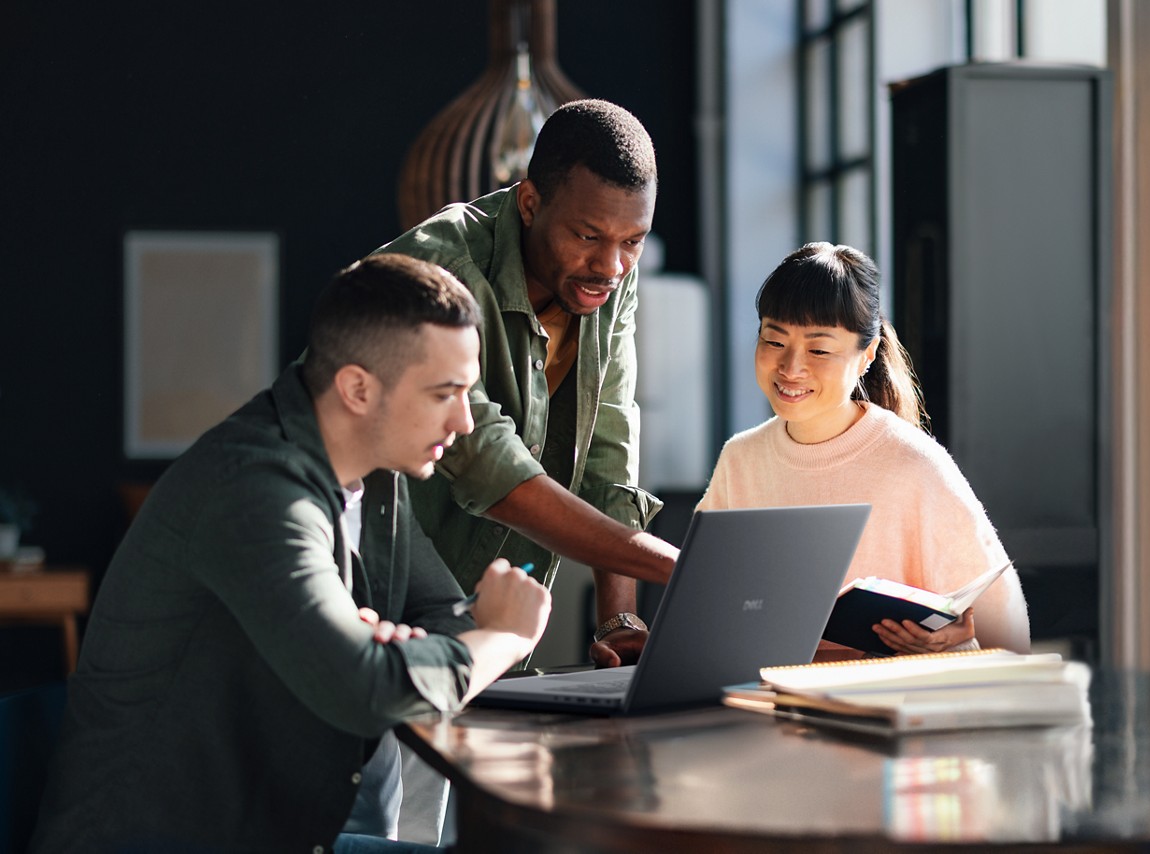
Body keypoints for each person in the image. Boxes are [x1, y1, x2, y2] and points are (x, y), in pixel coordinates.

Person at [29, 254, 551, 853]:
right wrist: (507, 636)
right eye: (445, 394)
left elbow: (441, 614)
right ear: (357, 388)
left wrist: (398, 655)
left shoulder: (378, 476)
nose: (464, 422)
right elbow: (369, 691)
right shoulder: (253, 490)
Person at [375, 98, 678, 668]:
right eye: (587, 236)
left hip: (490, 636)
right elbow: (489, 464)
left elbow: (608, 445)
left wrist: (620, 621)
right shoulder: (438, 271)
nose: (611, 266)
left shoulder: (607, 277)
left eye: (633, 241)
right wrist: (689, 572)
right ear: (531, 202)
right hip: (372, 600)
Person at [697, 242, 1031, 658]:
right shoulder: (740, 459)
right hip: (762, 690)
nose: (791, 367)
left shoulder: (914, 465)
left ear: (866, 356)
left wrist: (955, 642)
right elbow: (703, 607)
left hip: (883, 692)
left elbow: (1007, 633)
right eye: (774, 340)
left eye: (819, 350)